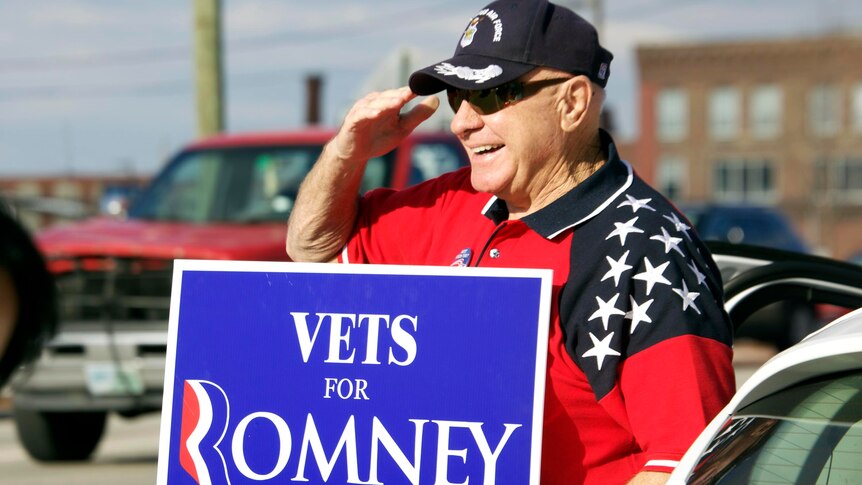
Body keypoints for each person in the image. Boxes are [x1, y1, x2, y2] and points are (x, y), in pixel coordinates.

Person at [286, 0, 735, 483]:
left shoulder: (644, 248)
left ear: (573, 103)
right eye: (458, 98)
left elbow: (688, 465)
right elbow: (314, 248)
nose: (461, 122)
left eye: (494, 95)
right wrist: (345, 152)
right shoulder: (455, 199)